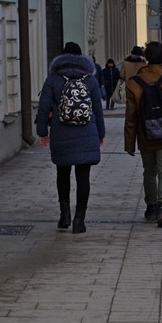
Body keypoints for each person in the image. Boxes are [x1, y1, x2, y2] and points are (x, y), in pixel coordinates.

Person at [35, 41, 105, 234]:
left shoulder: (53, 79)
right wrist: (101, 134)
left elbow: (43, 107)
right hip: (86, 132)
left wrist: (42, 132)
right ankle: (79, 220)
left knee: (62, 173)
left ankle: (64, 214)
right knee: (83, 178)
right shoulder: (90, 79)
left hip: (61, 132)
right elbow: (98, 110)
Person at [124, 41, 162, 228]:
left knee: (149, 172)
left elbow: (131, 116)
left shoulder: (134, 83)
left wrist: (129, 143)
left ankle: (151, 208)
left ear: (146, 57)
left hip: (145, 133)